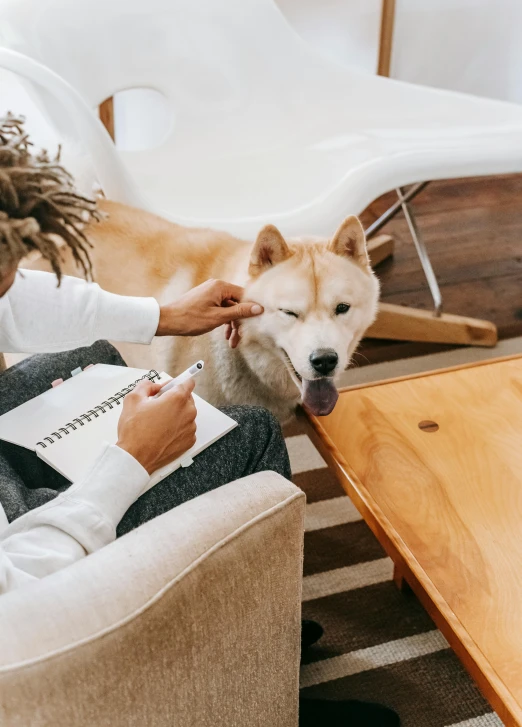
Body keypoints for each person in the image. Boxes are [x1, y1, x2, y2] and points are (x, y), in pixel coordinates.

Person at [0, 115, 399, 726]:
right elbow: (21, 581)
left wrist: (159, 315)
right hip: (28, 582)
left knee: (95, 360)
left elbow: (22, 299)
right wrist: (127, 464)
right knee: (249, 432)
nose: (12, 285)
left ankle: (253, 623)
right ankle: (260, 679)